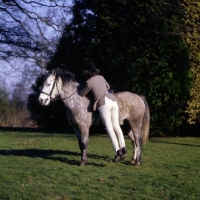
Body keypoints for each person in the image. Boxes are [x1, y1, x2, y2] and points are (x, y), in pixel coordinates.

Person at [79, 62, 127, 162]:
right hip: (113, 100)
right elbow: (108, 87)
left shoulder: (89, 82)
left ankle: (117, 150)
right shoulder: (101, 77)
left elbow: (82, 93)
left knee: (109, 128)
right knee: (116, 126)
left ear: (86, 73)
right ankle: (123, 147)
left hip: (103, 103)